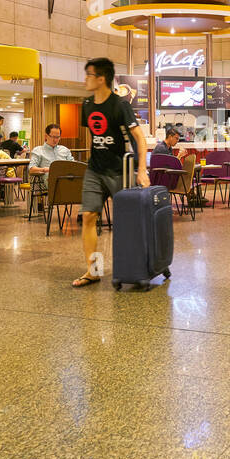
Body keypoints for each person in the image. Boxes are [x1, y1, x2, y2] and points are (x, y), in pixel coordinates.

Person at [74, 57, 148, 288]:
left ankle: (134, 268)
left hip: (119, 171)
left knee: (127, 222)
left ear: (101, 78)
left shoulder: (120, 105)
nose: (85, 79)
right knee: (88, 216)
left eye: (89, 75)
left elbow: (139, 138)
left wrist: (142, 169)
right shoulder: (87, 105)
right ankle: (93, 270)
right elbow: (94, 136)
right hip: (95, 170)